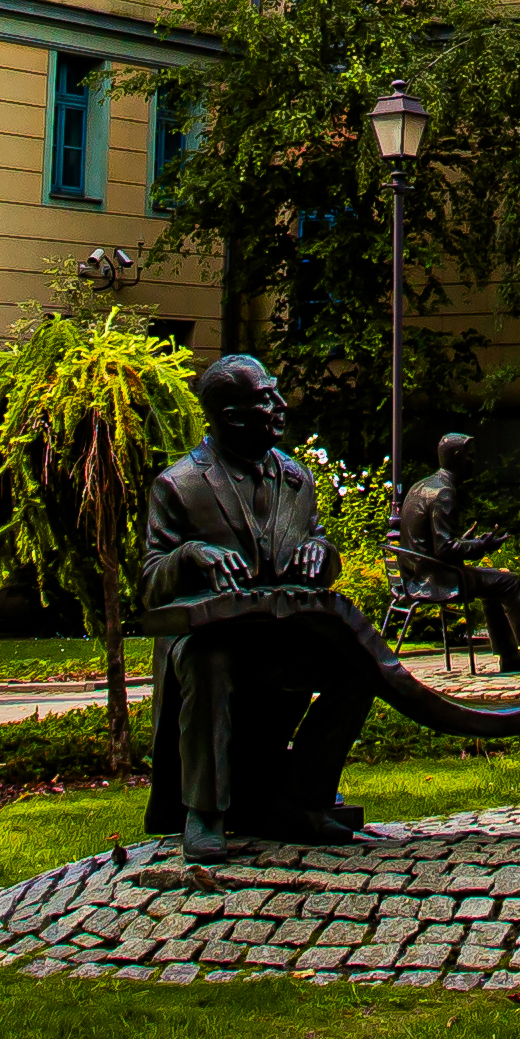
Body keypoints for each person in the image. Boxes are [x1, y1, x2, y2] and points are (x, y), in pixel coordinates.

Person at [136, 352, 381, 854]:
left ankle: (296, 799)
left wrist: (321, 551)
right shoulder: (179, 485)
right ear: (233, 416)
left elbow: (316, 540)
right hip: (211, 639)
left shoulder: (295, 478)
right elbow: (150, 583)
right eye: (267, 398)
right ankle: (204, 813)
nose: (281, 404)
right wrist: (190, 555)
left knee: (358, 668)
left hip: (282, 635)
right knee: (208, 662)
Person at [384, 432, 520, 675]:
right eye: (470, 456)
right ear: (457, 457)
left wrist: (468, 541)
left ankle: (509, 657)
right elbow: (445, 549)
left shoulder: (421, 486)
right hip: (436, 580)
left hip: (417, 575)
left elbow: (431, 543)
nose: (474, 461)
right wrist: (481, 546)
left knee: (495, 583)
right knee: (510, 581)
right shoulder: (444, 492)